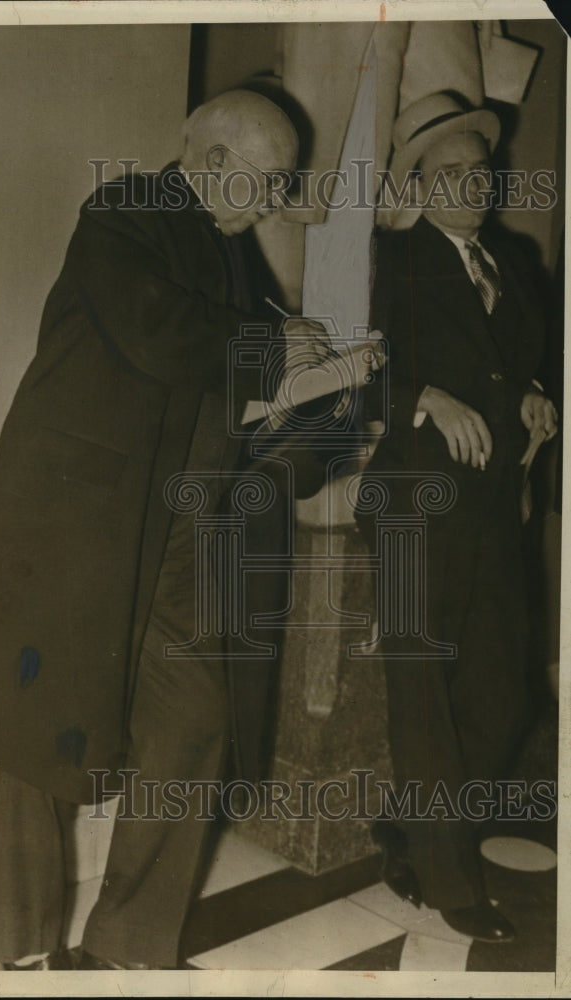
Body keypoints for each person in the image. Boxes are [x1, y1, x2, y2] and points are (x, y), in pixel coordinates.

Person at [0, 89, 335, 970]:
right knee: (38, 724)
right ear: (212, 162)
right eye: (266, 183)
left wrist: (303, 357)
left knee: (195, 718)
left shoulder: (228, 246)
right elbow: (157, 329)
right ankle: (23, 944)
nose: (272, 203)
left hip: (185, 523)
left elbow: (223, 358)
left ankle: (129, 943)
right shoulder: (125, 208)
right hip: (84, 521)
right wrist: (271, 348)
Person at [357, 92, 558, 943]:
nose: (473, 185)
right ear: (417, 186)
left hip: (492, 507)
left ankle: (411, 829)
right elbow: (341, 367)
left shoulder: (513, 261)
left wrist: (538, 396)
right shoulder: (387, 260)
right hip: (411, 507)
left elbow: (530, 361)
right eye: (451, 174)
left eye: (481, 170)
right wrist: (423, 397)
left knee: (502, 693)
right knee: (423, 694)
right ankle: (447, 879)